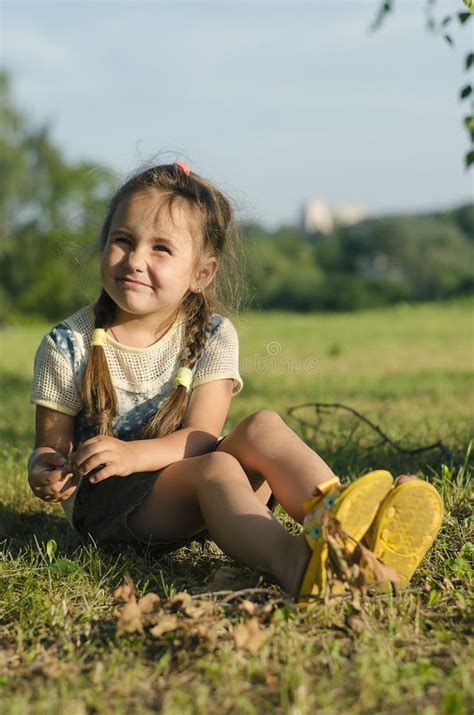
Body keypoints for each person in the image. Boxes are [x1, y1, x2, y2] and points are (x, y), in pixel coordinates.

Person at [28, 161, 444, 601]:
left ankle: (346, 530)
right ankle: (295, 564)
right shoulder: (67, 344)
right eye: (123, 241)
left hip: (187, 475)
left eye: (161, 249)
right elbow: (50, 450)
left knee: (262, 424)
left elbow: (203, 436)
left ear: (202, 274)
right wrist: (45, 470)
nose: (135, 260)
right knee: (219, 467)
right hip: (111, 507)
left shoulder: (211, 334)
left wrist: (135, 453)